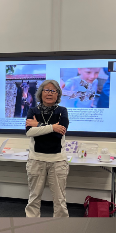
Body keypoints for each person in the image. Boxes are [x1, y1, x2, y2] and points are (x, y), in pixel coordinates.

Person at [24, 80, 70, 217]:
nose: (49, 93)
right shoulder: (32, 110)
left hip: (58, 162)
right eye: (46, 90)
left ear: (58, 94)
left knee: (60, 201)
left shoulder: (63, 111)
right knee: (33, 198)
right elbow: (29, 132)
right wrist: (52, 127)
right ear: (40, 93)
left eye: (53, 90)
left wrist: (37, 125)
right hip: (36, 160)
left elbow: (58, 134)